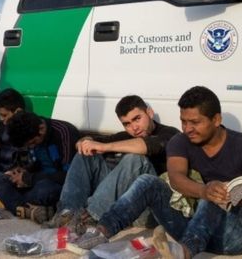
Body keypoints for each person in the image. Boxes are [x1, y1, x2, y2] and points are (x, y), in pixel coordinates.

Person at [73, 86, 242, 258]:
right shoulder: (180, 141)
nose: (188, 128)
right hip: (187, 226)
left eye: (195, 122)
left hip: (231, 236)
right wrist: (204, 190)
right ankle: (100, 232)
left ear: (216, 119)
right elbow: (176, 177)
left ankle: (183, 253)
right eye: (184, 121)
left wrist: (240, 197)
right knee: (148, 182)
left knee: (214, 196)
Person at [47, 95, 179, 229]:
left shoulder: (170, 134)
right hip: (125, 205)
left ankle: (91, 218)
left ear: (149, 113)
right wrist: (85, 142)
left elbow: (146, 146)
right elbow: (94, 141)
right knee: (86, 154)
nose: (134, 128)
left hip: (151, 210)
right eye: (127, 124)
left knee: (136, 159)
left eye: (137, 119)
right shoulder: (127, 136)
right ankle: (67, 212)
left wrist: (104, 147)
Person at [0, 111, 79, 218]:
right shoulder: (29, 140)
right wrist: (19, 172)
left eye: (33, 143)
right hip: (33, 184)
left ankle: (10, 204)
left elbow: (70, 177)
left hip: (54, 185)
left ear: (42, 129)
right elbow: (31, 165)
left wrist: (29, 178)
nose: (32, 147)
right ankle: (26, 209)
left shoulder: (63, 132)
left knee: (46, 191)